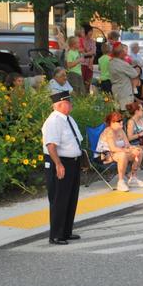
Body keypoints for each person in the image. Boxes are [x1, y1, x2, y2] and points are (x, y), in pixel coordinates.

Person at [42, 91, 83, 245]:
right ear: (60, 104)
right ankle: (56, 235)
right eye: (68, 101)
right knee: (59, 198)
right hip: (60, 162)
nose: (71, 104)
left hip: (73, 162)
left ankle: (66, 231)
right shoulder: (53, 121)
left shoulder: (68, 119)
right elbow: (51, 145)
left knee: (71, 197)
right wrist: (58, 164)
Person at [97, 111, 143, 192]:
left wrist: (133, 149)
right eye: (119, 121)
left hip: (118, 153)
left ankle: (133, 177)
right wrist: (128, 150)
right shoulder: (109, 131)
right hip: (105, 155)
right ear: (112, 122)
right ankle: (121, 182)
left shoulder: (121, 130)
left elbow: (127, 145)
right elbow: (113, 148)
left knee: (139, 151)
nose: (121, 122)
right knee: (122, 155)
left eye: (122, 120)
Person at [109, 44, 139, 110]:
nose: (126, 53)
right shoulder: (123, 64)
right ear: (121, 53)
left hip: (115, 90)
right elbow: (135, 74)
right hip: (125, 91)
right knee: (127, 112)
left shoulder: (111, 62)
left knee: (117, 111)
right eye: (124, 51)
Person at [79, 24, 96, 92]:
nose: (91, 33)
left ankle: (86, 97)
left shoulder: (92, 41)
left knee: (88, 83)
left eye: (92, 31)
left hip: (89, 65)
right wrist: (89, 53)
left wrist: (90, 62)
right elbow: (80, 53)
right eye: (90, 31)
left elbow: (93, 52)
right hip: (81, 64)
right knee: (81, 82)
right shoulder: (79, 40)